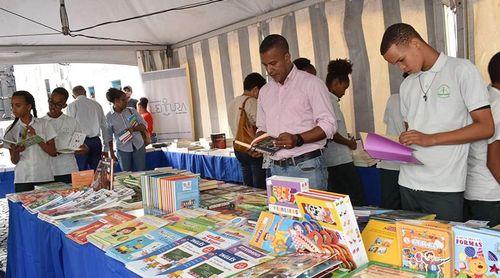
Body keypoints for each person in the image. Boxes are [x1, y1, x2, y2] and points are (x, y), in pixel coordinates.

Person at [380, 23, 494, 221]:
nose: (401, 67)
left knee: (442, 248)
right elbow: (413, 131)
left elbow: (486, 127)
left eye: (401, 60)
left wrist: (430, 139)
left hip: (444, 187)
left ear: (415, 43)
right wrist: (401, 141)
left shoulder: (461, 70)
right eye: (396, 65)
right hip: (408, 182)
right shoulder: (407, 85)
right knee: (413, 248)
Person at [257, 34, 337, 190]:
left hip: (307, 167)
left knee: (311, 215)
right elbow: (262, 127)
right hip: (276, 168)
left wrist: (298, 138)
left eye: (273, 63)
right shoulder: (265, 91)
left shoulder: (311, 84)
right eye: (265, 65)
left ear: (287, 57)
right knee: (282, 215)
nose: (269, 70)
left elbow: (329, 125)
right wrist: (260, 143)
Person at [464, 52, 500, 226]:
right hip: (492, 194)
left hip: (473, 188)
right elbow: (493, 161)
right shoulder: (499, 105)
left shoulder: (484, 98)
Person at [323, 59, 365, 206]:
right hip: (339, 159)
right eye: (344, 88)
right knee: (356, 197)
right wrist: (349, 143)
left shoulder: (329, 101)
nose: (344, 93)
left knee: (339, 198)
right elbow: (332, 133)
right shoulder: (330, 102)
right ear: (335, 84)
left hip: (335, 159)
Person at [3, 91, 57, 192]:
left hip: (44, 177)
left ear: (28, 107)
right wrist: (16, 151)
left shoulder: (44, 124)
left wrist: (36, 138)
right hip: (22, 179)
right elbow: (14, 161)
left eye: (18, 105)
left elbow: (53, 152)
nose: (14, 109)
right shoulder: (11, 130)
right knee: (23, 207)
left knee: (46, 206)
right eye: (12, 105)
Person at [228, 72, 267, 188]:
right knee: (258, 182)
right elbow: (260, 124)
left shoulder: (233, 101)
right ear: (256, 89)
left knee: (247, 181)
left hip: (238, 146)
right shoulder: (251, 101)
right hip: (252, 147)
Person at [43, 87, 88, 183]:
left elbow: (78, 144)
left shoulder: (72, 122)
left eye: (58, 104)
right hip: (48, 171)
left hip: (68, 168)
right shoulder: (40, 123)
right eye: (51, 102)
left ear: (64, 105)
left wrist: (82, 149)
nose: (53, 106)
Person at [378, 73, 408, 209]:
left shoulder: (393, 98)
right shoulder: (419, 102)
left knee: (390, 209)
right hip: (407, 164)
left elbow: (387, 122)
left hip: (389, 160)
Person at [105, 88, 148, 172]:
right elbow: (109, 137)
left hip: (138, 145)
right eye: (123, 100)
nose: (126, 102)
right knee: (126, 175)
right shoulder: (109, 117)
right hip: (123, 149)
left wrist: (133, 129)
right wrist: (112, 154)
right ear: (116, 101)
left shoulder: (131, 111)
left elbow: (144, 126)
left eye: (126, 99)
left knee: (141, 173)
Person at [67, 85, 108, 171]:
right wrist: (106, 146)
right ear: (85, 92)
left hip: (79, 140)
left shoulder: (72, 105)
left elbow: (70, 127)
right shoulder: (97, 105)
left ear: (73, 96)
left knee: (81, 171)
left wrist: (71, 146)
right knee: (97, 171)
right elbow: (104, 126)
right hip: (95, 140)